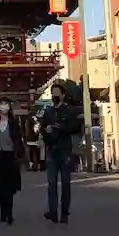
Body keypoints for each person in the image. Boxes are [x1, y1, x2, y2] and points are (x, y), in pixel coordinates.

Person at [41, 82, 81, 224]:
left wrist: (60, 128)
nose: (54, 95)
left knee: (65, 183)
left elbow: (75, 128)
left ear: (63, 95)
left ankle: (64, 212)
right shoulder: (48, 111)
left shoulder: (69, 111)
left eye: (57, 93)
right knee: (51, 183)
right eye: (53, 93)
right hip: (52, 150)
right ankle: (52, 211)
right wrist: (46, 131)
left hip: (65, 150)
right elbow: (42, 128)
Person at [0, 99, 26, 224]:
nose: (3, 107)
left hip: (11, 156)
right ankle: (3, 211)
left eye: (5, 104)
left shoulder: (13, 124)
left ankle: (9, 213)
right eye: (1, 105)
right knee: (0, 187)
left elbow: (19, 140)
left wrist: (21, 156)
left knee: (9, 187)